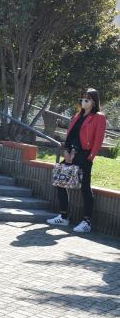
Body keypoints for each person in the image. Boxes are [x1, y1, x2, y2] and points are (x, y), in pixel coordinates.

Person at [47, 88, 107, 233]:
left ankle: (87, 222)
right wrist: (66, 151)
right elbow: (70, 136)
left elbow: (98, 140)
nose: (84, 101)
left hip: (84, 155)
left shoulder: (99, 117)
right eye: (83, 98)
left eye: (88, 98)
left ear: (94, 101)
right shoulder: (77, 116)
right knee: (59, 180)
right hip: (70, 154)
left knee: (85, 188)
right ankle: (64, 216)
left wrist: (90, 157)